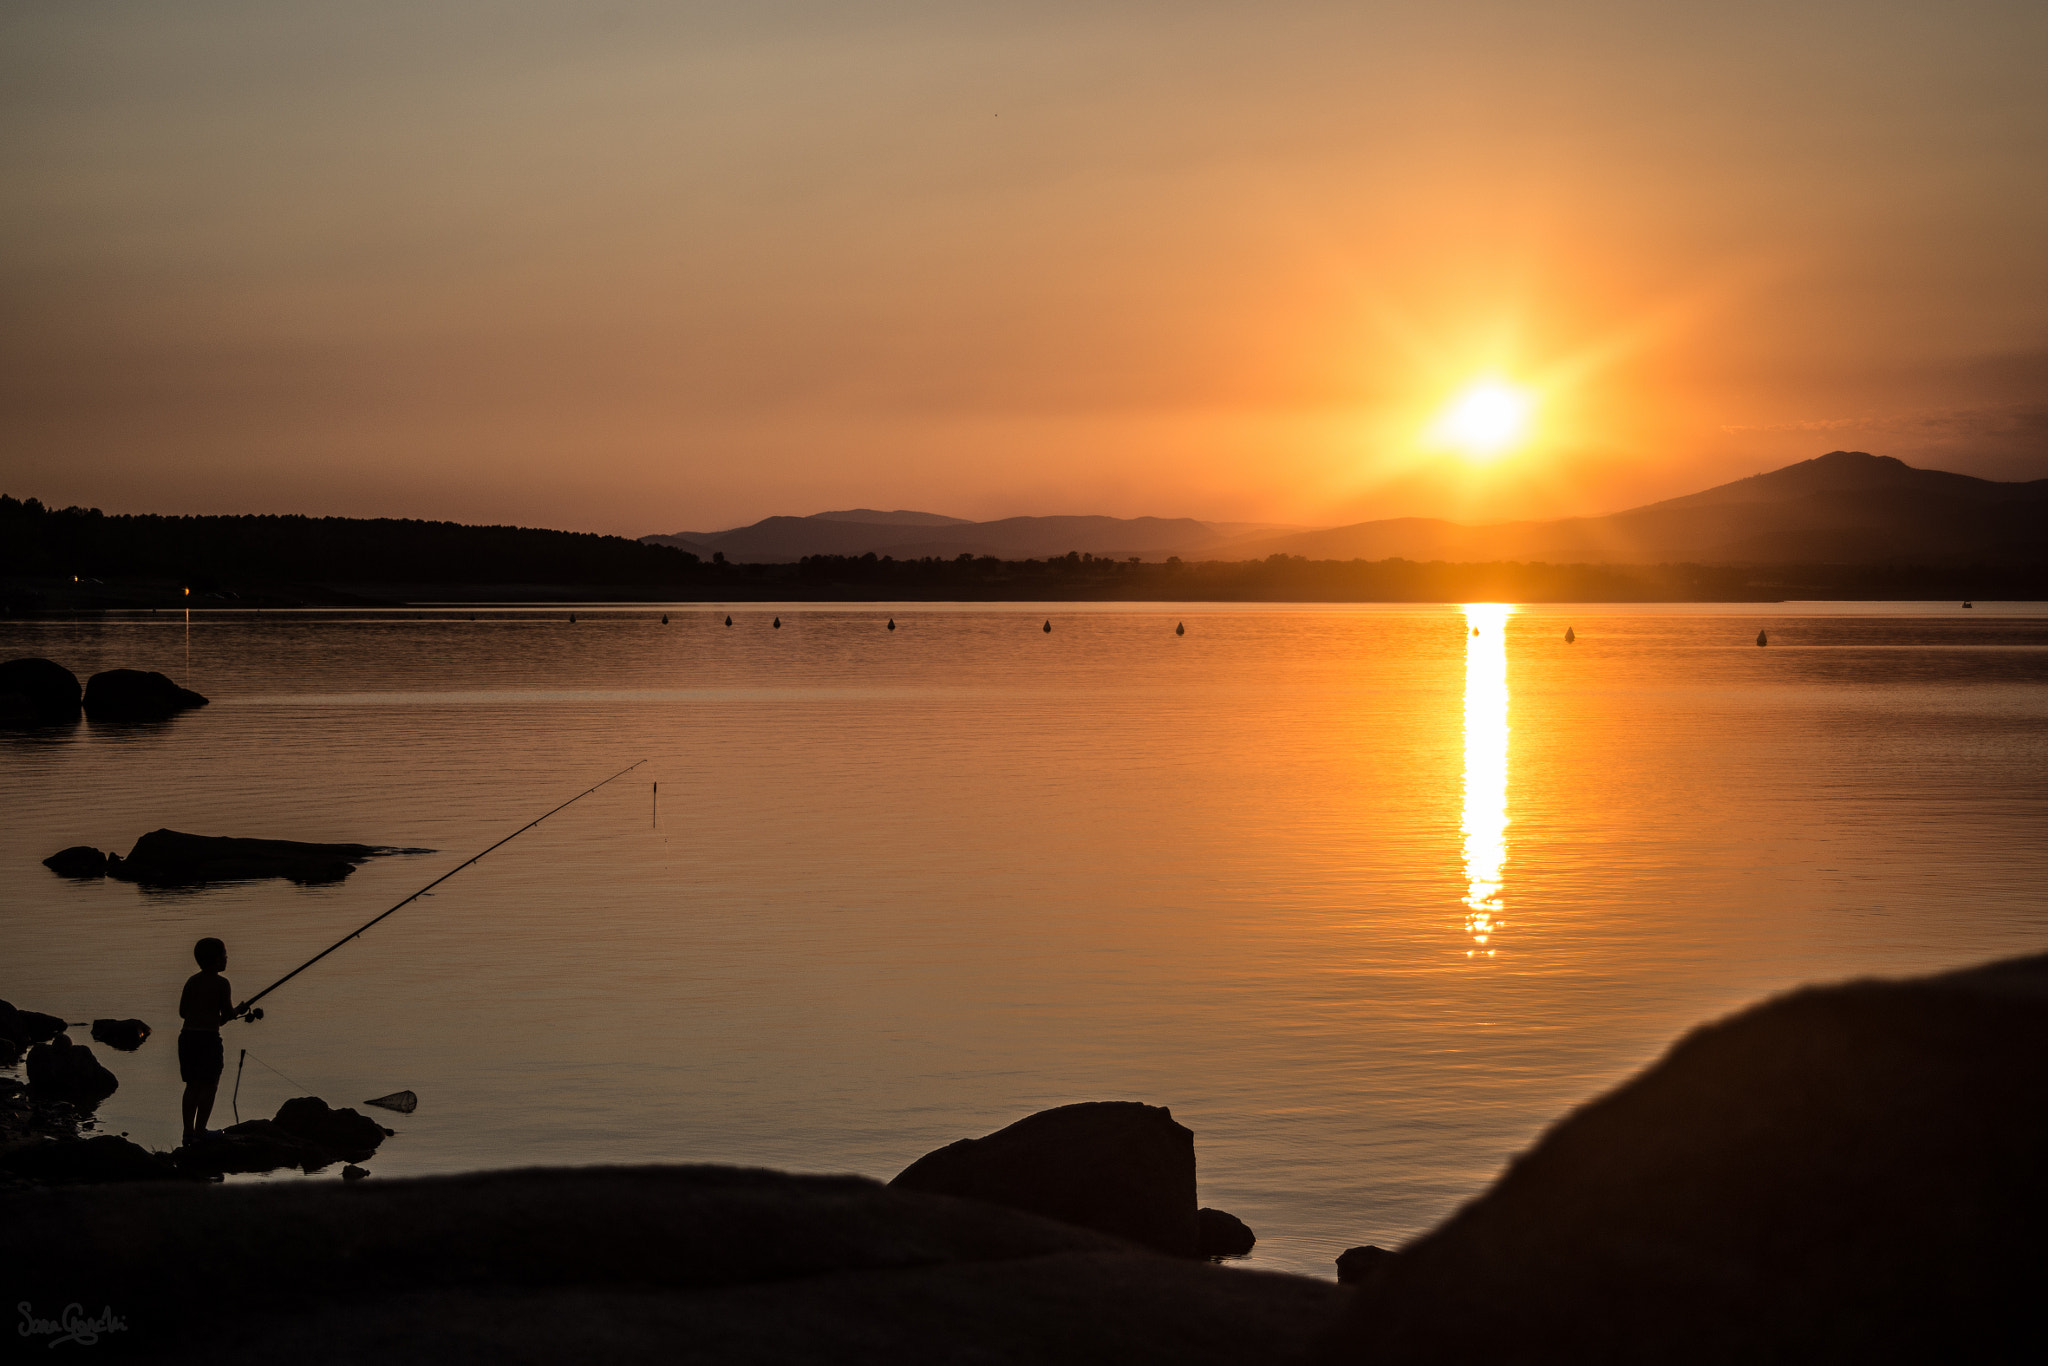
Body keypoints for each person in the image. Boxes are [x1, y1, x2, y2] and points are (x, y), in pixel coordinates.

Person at [178, 937, 245, 1144]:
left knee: (192, 1086)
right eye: (224, 955)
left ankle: (188, 1133)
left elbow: (182, 1012)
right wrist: (239, 1011)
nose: (227, 958)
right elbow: (227, 1013)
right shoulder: (222, 984)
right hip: (208, 1040)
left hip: (187, 1037)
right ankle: (201, 1132)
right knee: (209, 1086)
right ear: (216, 960)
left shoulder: (192, 981)